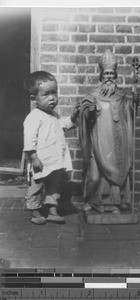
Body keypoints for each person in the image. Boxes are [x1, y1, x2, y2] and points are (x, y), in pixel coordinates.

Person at [77, 49, 139, 214]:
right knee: (96, 174)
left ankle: (114, 203)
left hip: (117, 142)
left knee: (118, 167)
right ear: (101, 76)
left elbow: (129, 115)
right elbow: (82, 111)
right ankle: (93, 200)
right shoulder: (93, 95)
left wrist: (134, 103)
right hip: (99, 142)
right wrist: (88, 110)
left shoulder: (121, 97)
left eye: (112, 73)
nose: (109, 77)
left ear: (116, 76)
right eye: (106, 74)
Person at [23, 71, 79, 225]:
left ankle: (52, 210)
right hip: (40, 160)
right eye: (46, 94)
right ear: (34, 99)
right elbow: (29, 140)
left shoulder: (54, 115)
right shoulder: (33, 117)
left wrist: (74, 116)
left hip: (55, 160)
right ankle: (35, 211)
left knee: (54, 186)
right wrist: (34, 157)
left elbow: (65, 125)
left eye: (54, 93)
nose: (52, 98)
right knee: (37, 186)